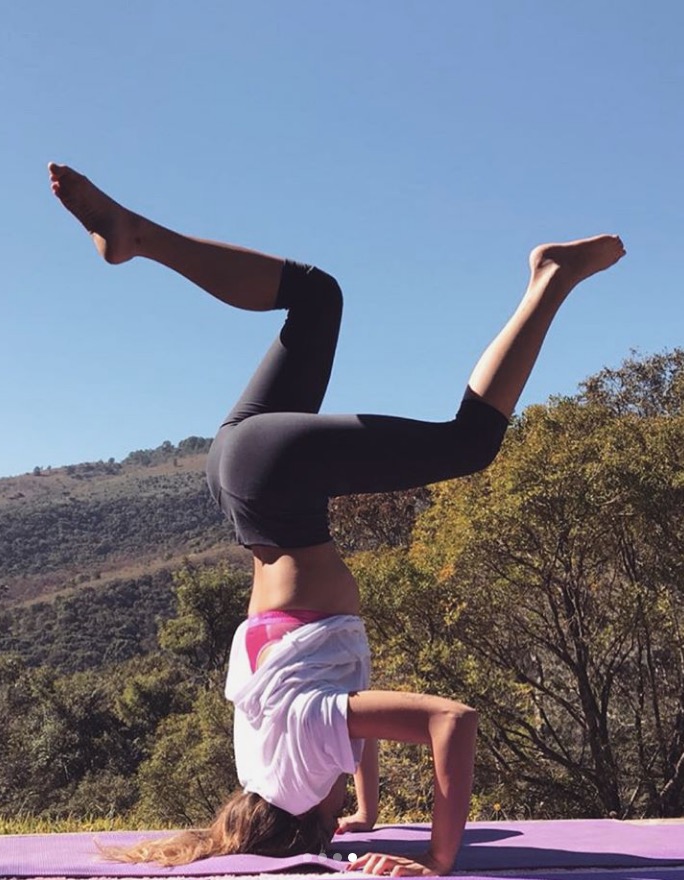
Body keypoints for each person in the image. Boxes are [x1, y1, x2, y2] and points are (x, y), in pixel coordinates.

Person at [48, 162, 625, 876]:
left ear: (311, 821)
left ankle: (551, 277)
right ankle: (139, 236)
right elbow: (349, 718)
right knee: (317, 298)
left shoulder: (298, 766)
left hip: (278, 482)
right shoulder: (266, 767)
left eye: (338, 814)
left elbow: (453, 721)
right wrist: (368, 814)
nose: (343, 803)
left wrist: (438, 858)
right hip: (239, 472)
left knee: (470, 443)